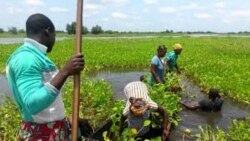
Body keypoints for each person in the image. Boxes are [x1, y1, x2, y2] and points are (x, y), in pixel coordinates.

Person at [6, 13, 89, 140]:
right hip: (41, 134)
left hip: (51, 129)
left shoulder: (36, 56)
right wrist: (64, 72)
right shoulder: (26, 58)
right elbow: (32, 103)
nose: (54, 39)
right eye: (55, 35)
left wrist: (69, 120)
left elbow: (48, 109)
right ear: (48, 31)